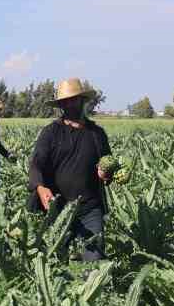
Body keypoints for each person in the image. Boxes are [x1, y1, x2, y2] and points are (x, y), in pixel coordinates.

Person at [28, 77, 113, 262]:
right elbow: (36, 164)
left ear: (82, 100)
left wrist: (106, 174)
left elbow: (108, 166)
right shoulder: (51, 132)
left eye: (73, 99)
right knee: (58, 259)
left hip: (90, 208)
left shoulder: (97, 134)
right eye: (64, 101)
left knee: (94, 259)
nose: (69, 104)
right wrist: (40, 187)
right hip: (57, 208)